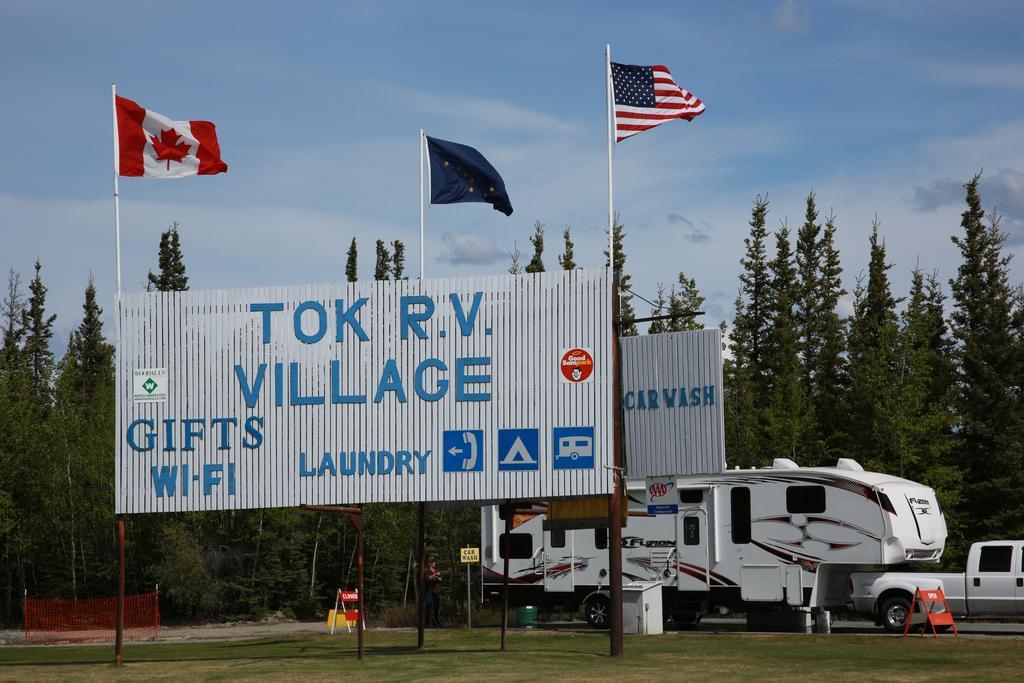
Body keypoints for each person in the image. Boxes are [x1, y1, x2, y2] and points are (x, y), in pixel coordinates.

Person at [426, 560, 443, 627]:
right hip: (430, 592)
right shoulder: (427, 571)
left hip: (436, 591)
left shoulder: (435, 570)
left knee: (437, 608)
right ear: (430, 564)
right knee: (430, 607)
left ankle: (437, 621)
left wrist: (438, 578)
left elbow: (440, 579)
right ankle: (430, 623)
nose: (434, 564)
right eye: (433, 562)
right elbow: (428, 578)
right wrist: (435, 575)